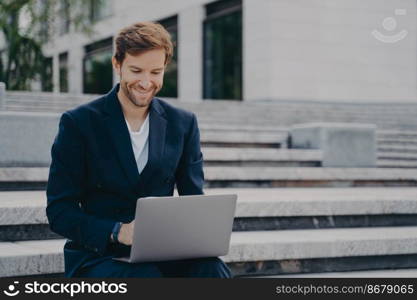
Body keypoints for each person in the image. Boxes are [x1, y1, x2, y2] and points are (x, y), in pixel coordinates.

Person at [46, 21, 231, 278]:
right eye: (136, 70)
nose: (146, 82)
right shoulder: (78, 123)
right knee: (145, 277)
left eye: (155, 72)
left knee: (212, 269)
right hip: (99, 255)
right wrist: (117, 231)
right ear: (117, 64)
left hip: (163, 252)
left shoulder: (183, 123)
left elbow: (193, 201)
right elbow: (59, 211)